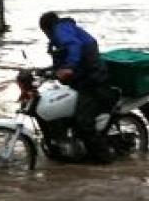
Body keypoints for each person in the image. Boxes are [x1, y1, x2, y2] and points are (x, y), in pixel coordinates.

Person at [39, 11, 113, 161]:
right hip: (80, 82)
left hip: (93, 82)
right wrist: (42, 71)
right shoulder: (60, 35)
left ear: (47, 29)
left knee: (83, 122)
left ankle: (104, 159)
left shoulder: (62, 30)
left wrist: (70, 68)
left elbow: (74, 46)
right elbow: (61, 62)